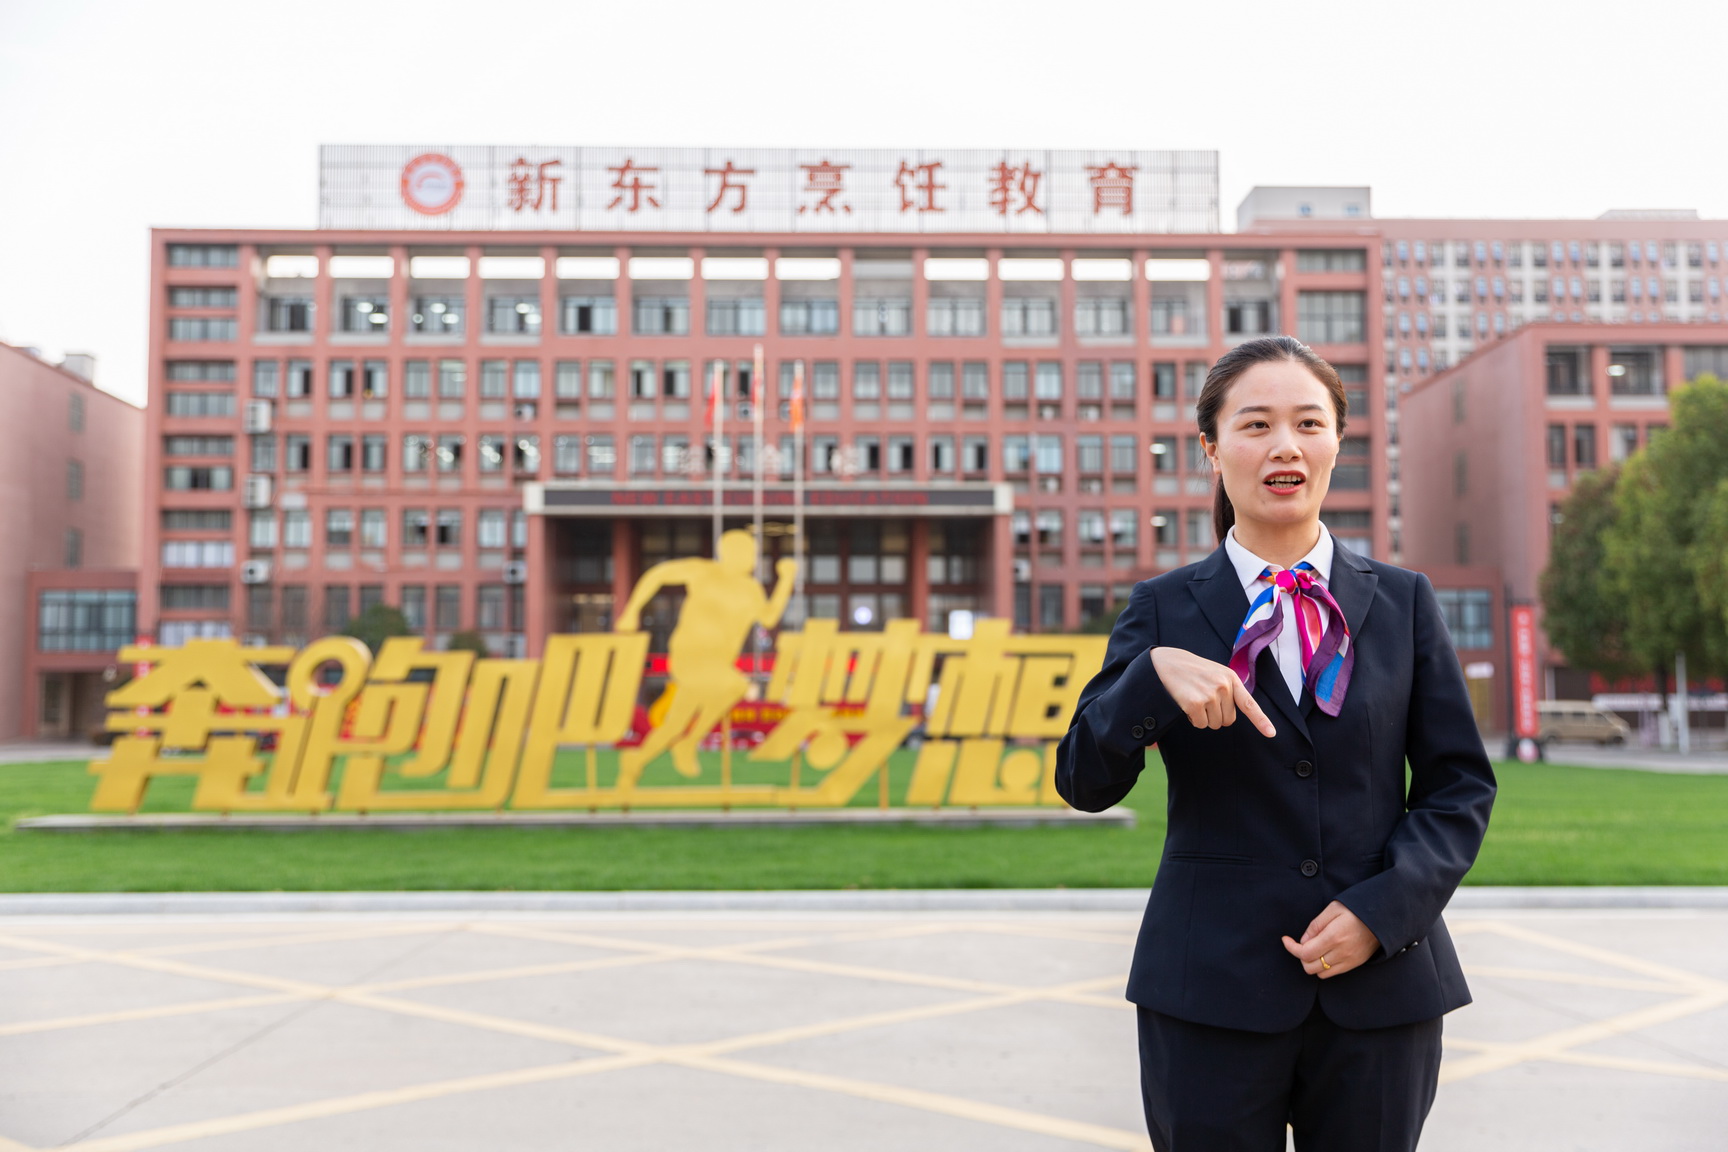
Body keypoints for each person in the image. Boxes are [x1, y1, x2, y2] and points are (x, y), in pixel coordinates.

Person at [1056, 336, 1496, 1152]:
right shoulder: (1162, 609)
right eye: (1256, 424)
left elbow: (1459, 787)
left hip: (1380, 990)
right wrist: (1149, 681)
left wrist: (1381, 913)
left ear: (1337, 442)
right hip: (1209, 992)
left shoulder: (1403, 602)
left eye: (1308, 423)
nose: (1285, 445)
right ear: (1212, 448)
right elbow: (1083, 780)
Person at [614, 529, 796, 787]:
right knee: (736, 685)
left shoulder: (750, 589)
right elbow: (658, 574)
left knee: (675, 724)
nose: (752, 559)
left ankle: (636, 763)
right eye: (747, 553)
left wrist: (786, 580)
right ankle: (690, 743)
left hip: (718, 663)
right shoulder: (704, 571)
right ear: (729, 553)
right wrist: (631, 611)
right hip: (690, 655)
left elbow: (768, 617)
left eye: (754, 554)